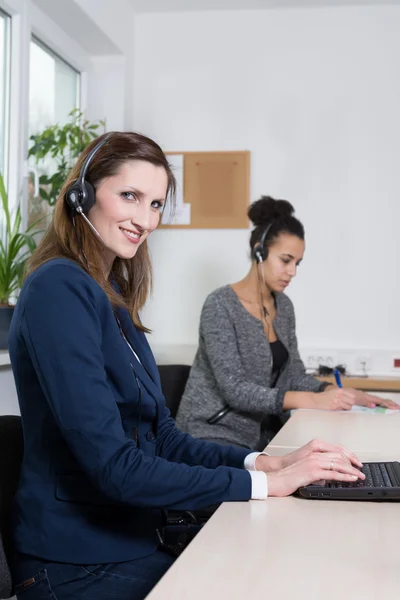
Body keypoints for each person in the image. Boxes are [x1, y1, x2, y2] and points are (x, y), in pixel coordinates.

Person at [9, 135, 365, 600]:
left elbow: (165, 438)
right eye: (130, 196)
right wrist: (264, 484)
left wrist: (267, 461)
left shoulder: (111, 298)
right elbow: (115, 467)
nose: (145, 219)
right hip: (76, 564)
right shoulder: (59, 289)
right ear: (83, 194)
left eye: (156, 204)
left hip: (131, 540)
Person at [176, 196, 399, 450]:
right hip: (212, 434)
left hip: (263, 434)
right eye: (286, 260)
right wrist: (310, 401)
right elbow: (235, 390)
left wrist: (339, 393)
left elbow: (293, 374)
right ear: (260, 251)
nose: (292, 271)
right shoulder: (220, 305)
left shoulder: (284, 306)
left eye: (297, 263)